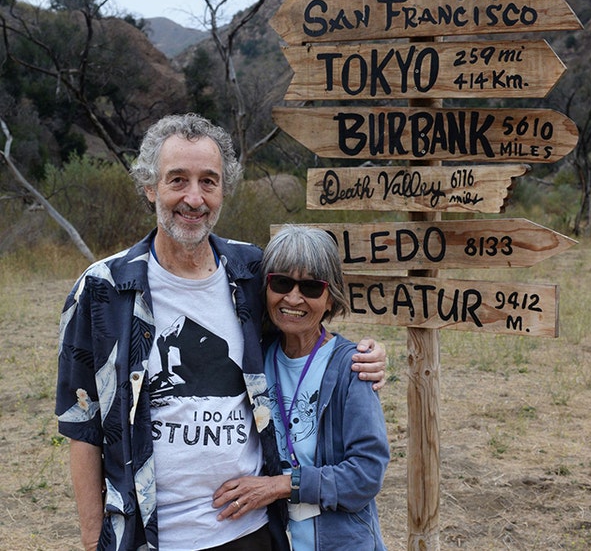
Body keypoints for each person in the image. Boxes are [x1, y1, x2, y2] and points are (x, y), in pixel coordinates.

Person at [55, 114, 387, 551]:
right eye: (178, 180)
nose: (194, 198)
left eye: (208, 182)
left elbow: (302, 315)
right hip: (149, 536)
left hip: (248, 532)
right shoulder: (102, 290)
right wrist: (91, 537)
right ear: (149, 187)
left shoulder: (250, 272)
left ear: (223, 191)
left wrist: (366, 355)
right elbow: (83, 426)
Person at [212, 226, 389, 550]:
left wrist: (281, 486)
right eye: (281, 283)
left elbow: (366, 474)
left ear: (330, 296)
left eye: (310, 287)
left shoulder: (351, 368)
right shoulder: (255, 359)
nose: (293, 298)